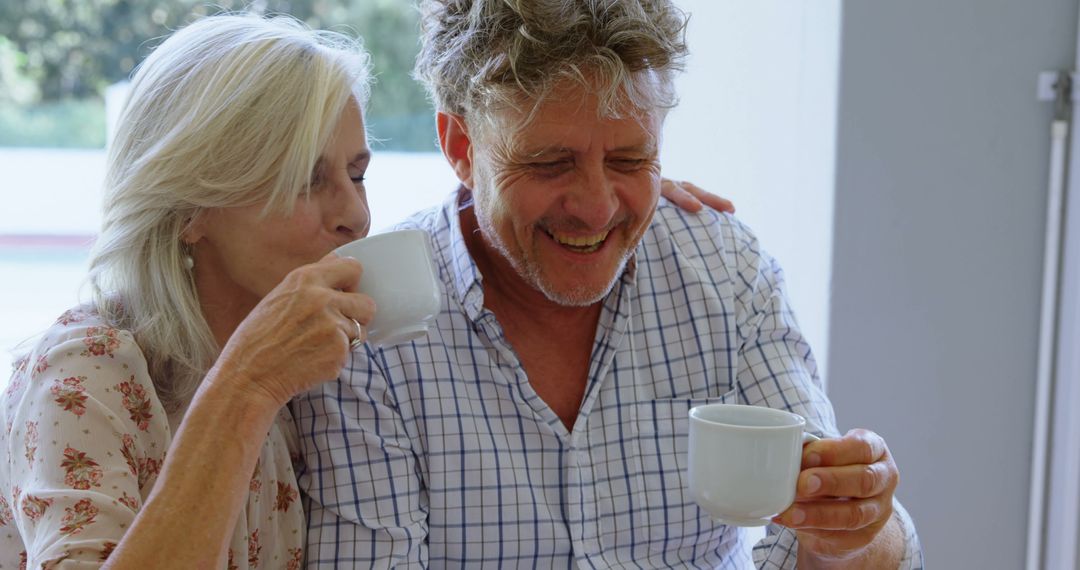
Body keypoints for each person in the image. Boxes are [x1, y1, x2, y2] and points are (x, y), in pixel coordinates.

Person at [0, 12, 725, 568]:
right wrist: (245, 386)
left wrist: (608, 201)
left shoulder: (315, 368)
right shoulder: (87, 374)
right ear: (191, 208)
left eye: (357, 173)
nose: (352, 213)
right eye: (307, 179)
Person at [293, 0, 925, 568]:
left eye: (630, 160)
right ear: (461, 145)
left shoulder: (724, 268)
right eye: (549, 163)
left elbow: (829, 533)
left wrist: (858, 524)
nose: (596, 209)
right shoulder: (374, 320)